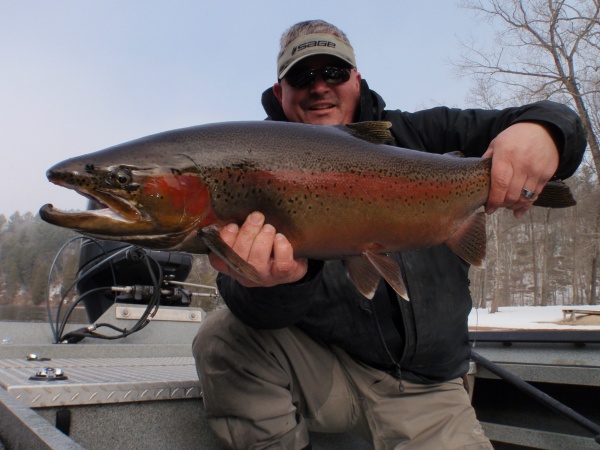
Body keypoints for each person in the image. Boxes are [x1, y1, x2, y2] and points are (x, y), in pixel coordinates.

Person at [193, 20, 586, 449]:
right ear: (279, 90)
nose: (319, 87)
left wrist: (545, 132)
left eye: (334, 72)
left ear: (357, 79)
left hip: (430, 393)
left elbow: (559, 120)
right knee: (220, 337)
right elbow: (251, 309)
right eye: (302, 76)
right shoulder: (249, 162)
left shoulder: (422, 135)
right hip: (327, 375)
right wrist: (276, 283)